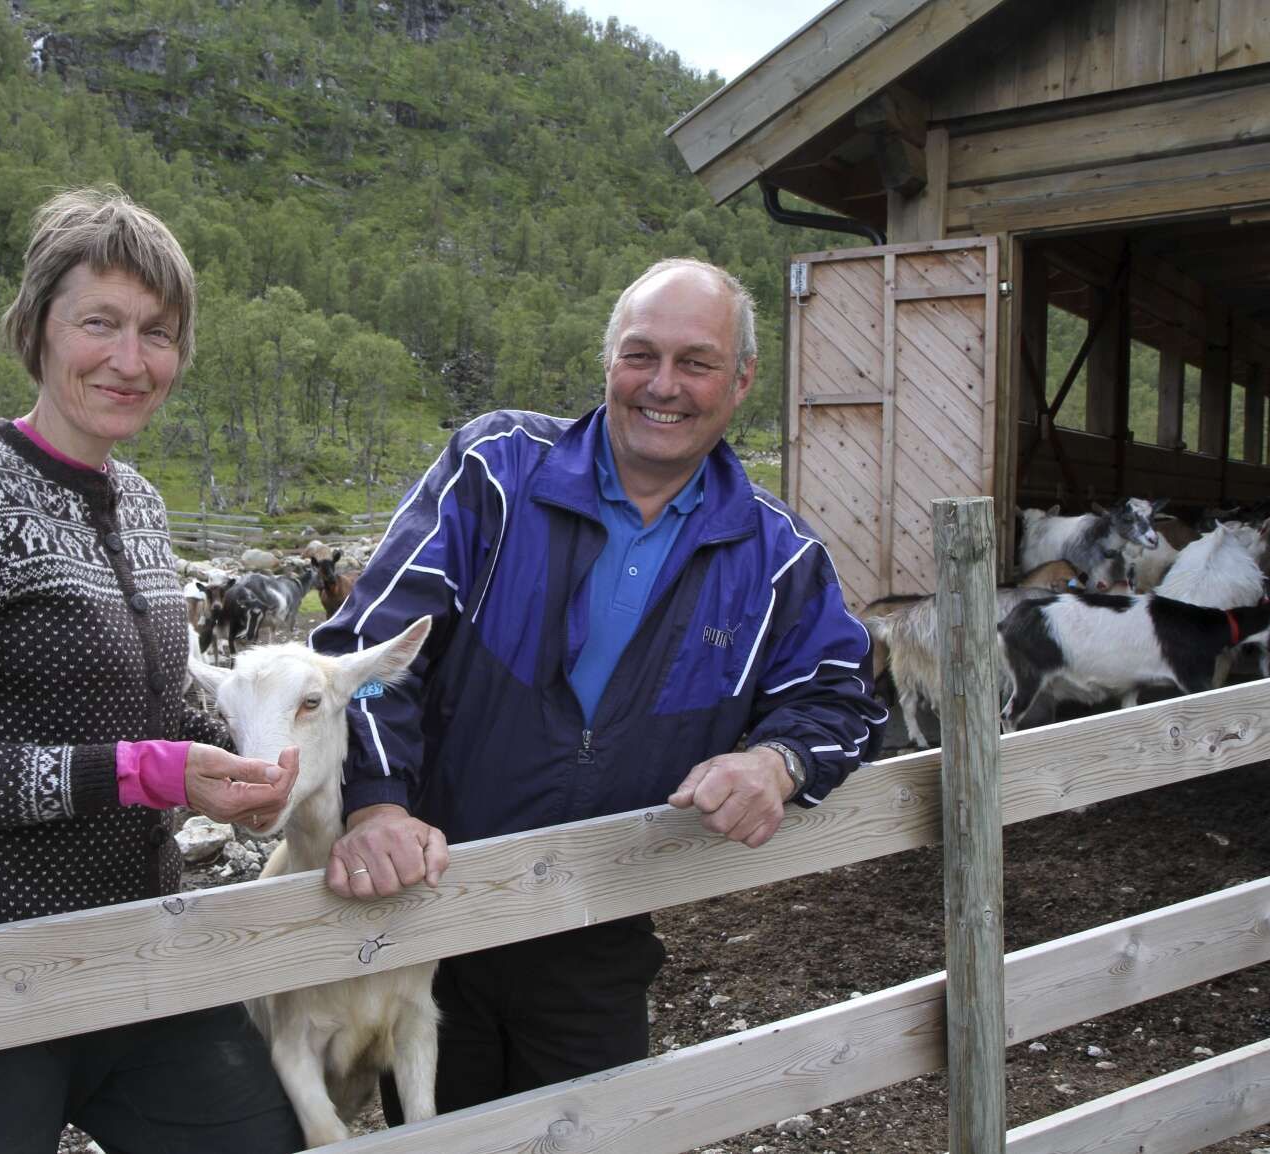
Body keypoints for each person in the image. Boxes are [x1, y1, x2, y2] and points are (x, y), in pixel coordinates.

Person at [311, 257, 887, 1117]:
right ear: (607, 360)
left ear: (741, 380)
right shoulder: (496, 474)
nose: (663, 386)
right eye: (639, 356)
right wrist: (379, 804)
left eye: (694, 362)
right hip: (431, 907)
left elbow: (841, 697)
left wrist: (777, 763)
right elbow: (363, 649)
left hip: (599, 923)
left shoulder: (776, 559)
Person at [0, 188, 306, 1154]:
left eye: (160, 332)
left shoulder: (137, 503)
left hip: (136, 949)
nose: (132, 361)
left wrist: (234, 772)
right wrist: (146, 773)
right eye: (100, 322)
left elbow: (152, 698)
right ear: (38, 328)